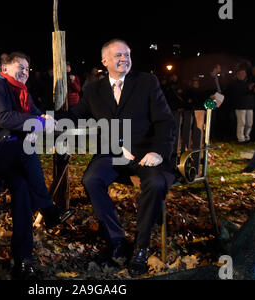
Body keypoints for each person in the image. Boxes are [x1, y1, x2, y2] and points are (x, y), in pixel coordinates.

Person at [0, 52, 73, 280]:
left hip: (4, 159)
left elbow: (32, 114)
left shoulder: (21, 92)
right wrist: (38, 122)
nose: (25, 72)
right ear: (4, 69)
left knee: (22, 188)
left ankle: (23, 261)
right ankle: (48, 208)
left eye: (27, 69)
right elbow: (3, 118)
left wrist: (44, 119)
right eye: (19, 67)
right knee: (24, 148)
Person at [69, 39, 176, 276]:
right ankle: (116, 240)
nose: (124, 59)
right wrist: (45, 119)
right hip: (113, 154)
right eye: (118, 55)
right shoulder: (93, 90)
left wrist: (157, 152)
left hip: (145, 153)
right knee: (91, 179)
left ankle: (141, 247)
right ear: (104, 61)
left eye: (127, 54)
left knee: (156, 182)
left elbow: (165, 121)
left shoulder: (147, 82)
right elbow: (75, 115)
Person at [226, 68, 255, 143]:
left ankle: (247, 137)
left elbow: (251, 92)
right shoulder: (234, 84)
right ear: (237, 75)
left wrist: (253, 90)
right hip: (240, 106)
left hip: (249, 106)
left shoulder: (248, 82)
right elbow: (238, 93)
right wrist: (249, 89)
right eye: (240, 73)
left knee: (249, 123)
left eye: (243, 73)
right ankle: (241, 139)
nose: (242, 75)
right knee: (242, 123)